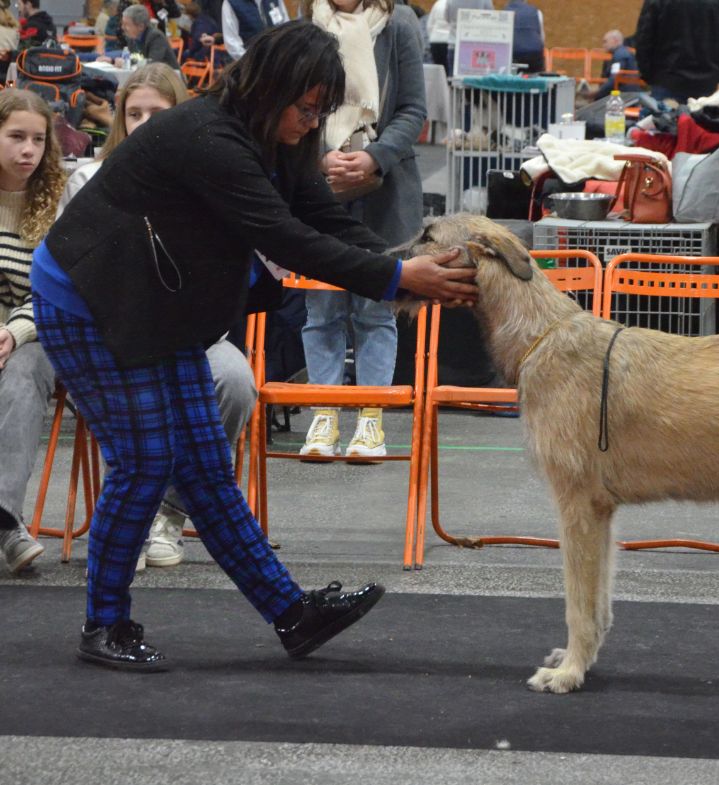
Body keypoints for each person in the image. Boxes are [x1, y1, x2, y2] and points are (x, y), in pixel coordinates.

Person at [30, 20, 476, 670]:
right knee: (147, 461)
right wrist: (396, 277)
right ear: (272, 88)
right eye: (307, 107)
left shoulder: (278, 133)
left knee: (207, 466)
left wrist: (397, 266)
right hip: (85, 297)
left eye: (321, 110)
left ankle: (293, 615)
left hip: (156, 302)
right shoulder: (209, 137)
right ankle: (105, 624)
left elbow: (316, 213)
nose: (311, 122)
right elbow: (284, 237)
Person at [59, 64, 252, 571]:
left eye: (157, 113)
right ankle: (133, 519)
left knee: (235, 378)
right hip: (108, 335)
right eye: (134, 113)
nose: (144, 123)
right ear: (119, 118)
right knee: (131, 394)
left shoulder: (211, 180)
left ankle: (170, 515)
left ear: (182, 117)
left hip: (193, 332)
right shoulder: (86, 178)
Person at [299, 0, 426, 462]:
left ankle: (370, 419)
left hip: (386, 191)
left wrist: (376, 156)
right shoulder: (304, 23)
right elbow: (287, 109)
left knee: (375, 312)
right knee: (322, 311)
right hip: (319, 186)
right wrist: (318, 160)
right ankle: (324, 414)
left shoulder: (400, 23)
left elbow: (413, 108)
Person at [0, 89, 67, 575]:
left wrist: (12, 334)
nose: (28, 150)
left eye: (38, 140)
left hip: (41, 334)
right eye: (16, 137)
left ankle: (3, 516)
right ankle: (10, 532)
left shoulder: (57, 203)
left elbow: (56, 294)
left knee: (20, 373)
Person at [634, 0, 719, 103]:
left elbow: (644, 39)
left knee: (663, 118)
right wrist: (716, 72)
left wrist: (649, 75)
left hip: (666, 80)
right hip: (707, 82)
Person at [110, 4, 181, 69]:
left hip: (168, 79)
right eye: (122, 24)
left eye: (126, 24)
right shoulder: (131, 37)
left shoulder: (156, 37)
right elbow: (132, 59)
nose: (122, 27)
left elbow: (152, 64)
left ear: (141, 26)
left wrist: (128, 63)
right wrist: (112, 61)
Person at [221, 0, 288, 60]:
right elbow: (231, 43)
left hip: (280, 58)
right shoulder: (230, 3)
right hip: (254, 64)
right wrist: (251, 62)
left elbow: (286, 25)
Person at [444, 0, 492, 73]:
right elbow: (491, 18)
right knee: (476, 79)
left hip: (454, 43)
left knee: (453, 80)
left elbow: (447, 18)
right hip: (477, 46)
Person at [590, 28, 638, 101]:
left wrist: (597, 93)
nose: (603, 45)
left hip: (624, 97)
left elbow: (614, 79)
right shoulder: (621, 53)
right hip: (627, 95)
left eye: (605, 42)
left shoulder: (620, 56)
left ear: (615, 41)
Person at [505, 0, 543, 74]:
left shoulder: (505, 12)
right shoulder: (537, 12)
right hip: (534, 55)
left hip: (513, 55)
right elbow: (541, 38)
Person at [425, 0, 449, 71]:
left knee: (439, 70)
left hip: (435, 40)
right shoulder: (454, 3)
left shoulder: (438, 3)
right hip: (450, 41)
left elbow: (429, 25)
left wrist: (431, 37)